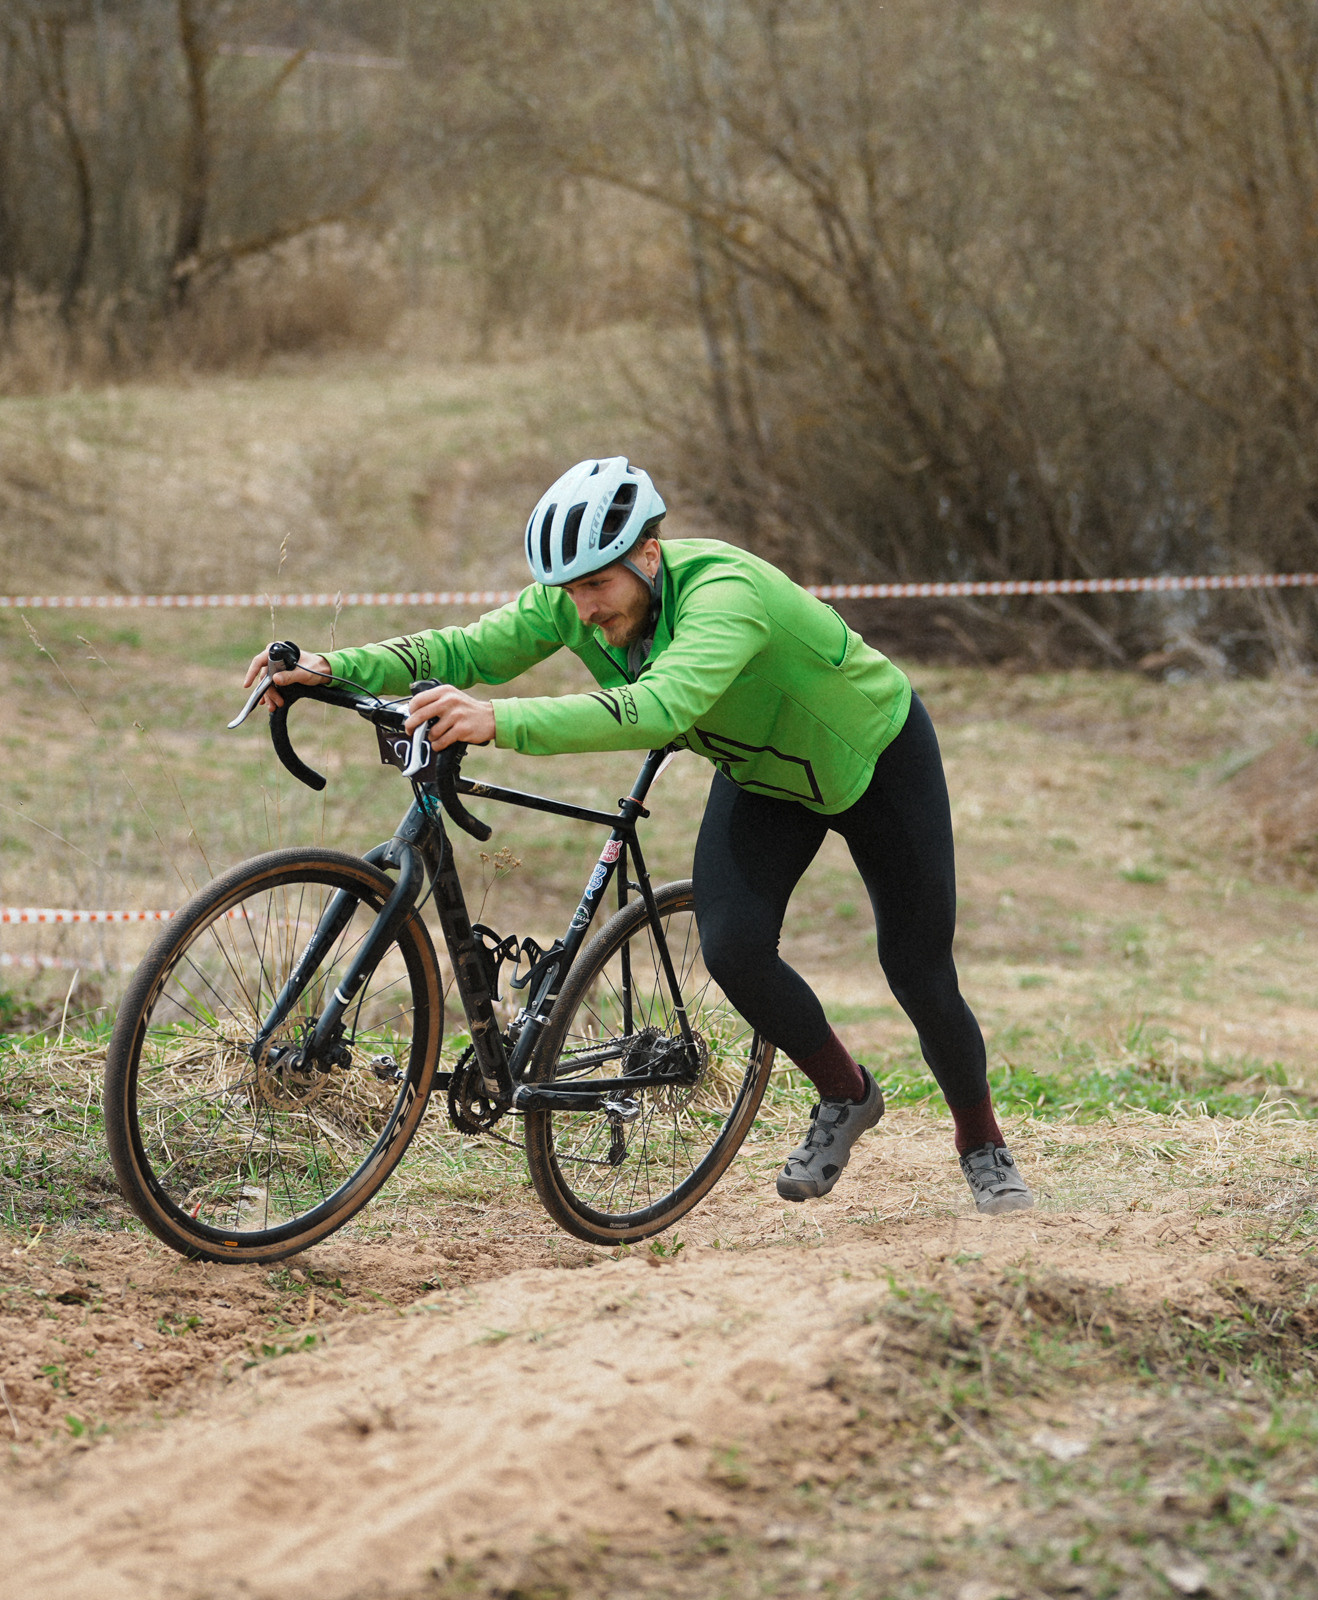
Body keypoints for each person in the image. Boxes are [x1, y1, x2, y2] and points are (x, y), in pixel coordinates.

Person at [245, 456, 1035, 1215]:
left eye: (598, 584)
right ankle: (846, 1093)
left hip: (876, 759)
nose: (584, 608)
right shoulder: (573, 603)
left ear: (649, 554)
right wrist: (331, 666)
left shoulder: (725, 591)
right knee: (731, 948)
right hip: (765, 777)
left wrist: (499, 721)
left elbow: (663, 704)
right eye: (569, 590)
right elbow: (468, 648)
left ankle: (981, 1142)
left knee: (918, 972)